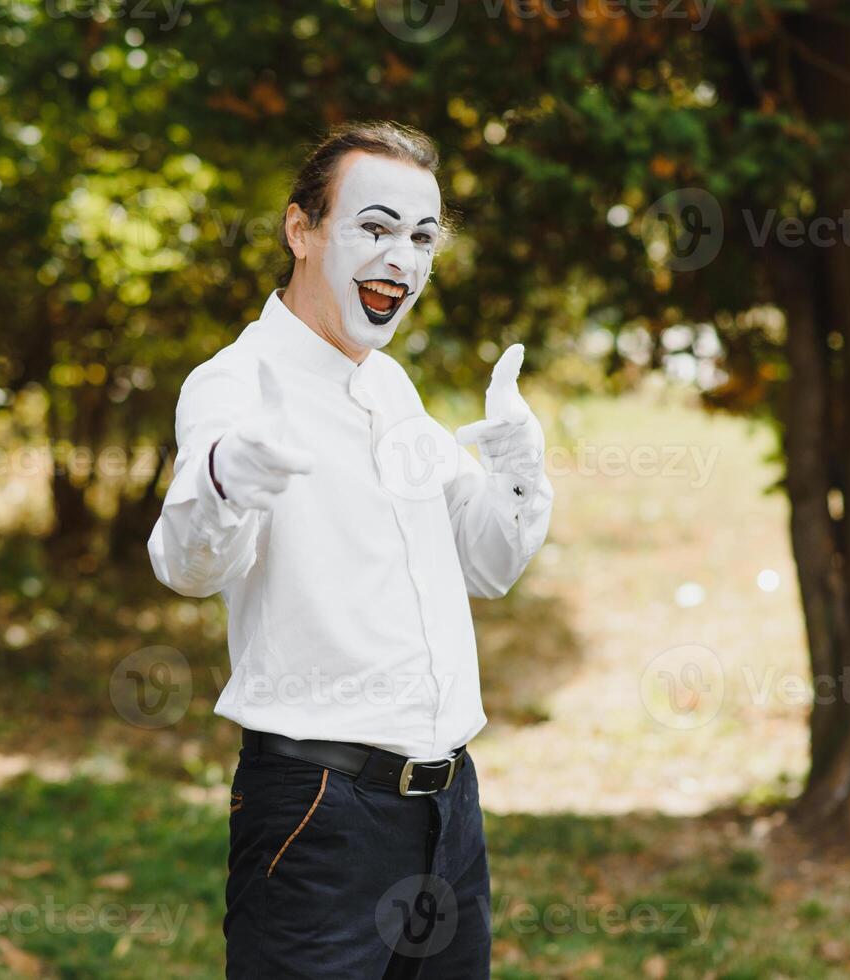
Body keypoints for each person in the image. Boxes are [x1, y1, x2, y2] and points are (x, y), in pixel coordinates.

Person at [148, 121, 553, 979]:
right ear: (302, 231)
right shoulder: (236, 383)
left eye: (421, 236)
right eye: (374, 228)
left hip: (448, 813)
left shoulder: (390, 385)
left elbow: (486, 564)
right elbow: (188, 566)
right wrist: (228, 476)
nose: (401, 258)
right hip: (318, 814)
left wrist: (517, 470)